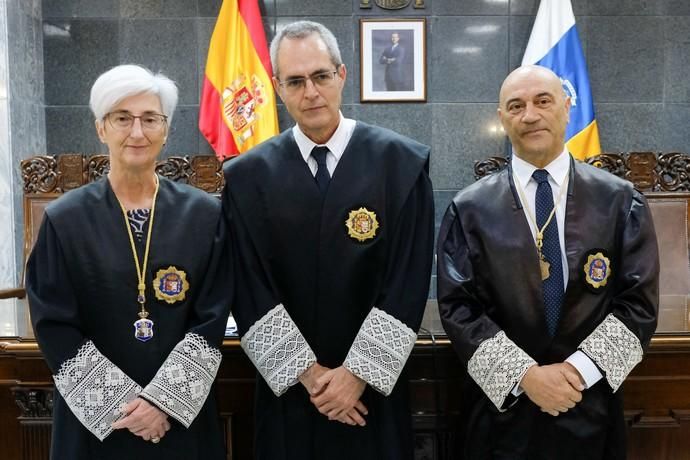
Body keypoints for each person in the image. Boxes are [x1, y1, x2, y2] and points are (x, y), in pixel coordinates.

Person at [223, 21, 434, 460]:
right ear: (278, 88)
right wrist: (310, 377)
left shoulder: (401, 164)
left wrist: (356, 374)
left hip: (371, 394)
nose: (311, 92)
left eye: (320, 76)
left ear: (341, 75)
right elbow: (248, 285)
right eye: (295, 81)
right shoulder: (247, 177)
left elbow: (408, 281)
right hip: (291, 395)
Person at [437, 65, 659, 460]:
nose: (530, 115)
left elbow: (637, 305)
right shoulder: (469, 209)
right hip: (500, 414)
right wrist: (526, 377)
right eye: (516, 105)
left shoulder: (620, 201)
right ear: (502, 118)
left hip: (588, 405)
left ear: (567, 107)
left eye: (543, 101)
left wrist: (574, 374)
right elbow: (458, 307)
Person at [26, 64, 231, 460]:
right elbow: (54, 323)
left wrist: (162, 404)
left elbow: (213, 315)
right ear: (101, 128)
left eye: (150, 119)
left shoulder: (204, 215)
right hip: (96, 427)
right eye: (122, 118)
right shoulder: (64, 219)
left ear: (166, 129)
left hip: (181, 420)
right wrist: (127, 409)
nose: (137, 132)